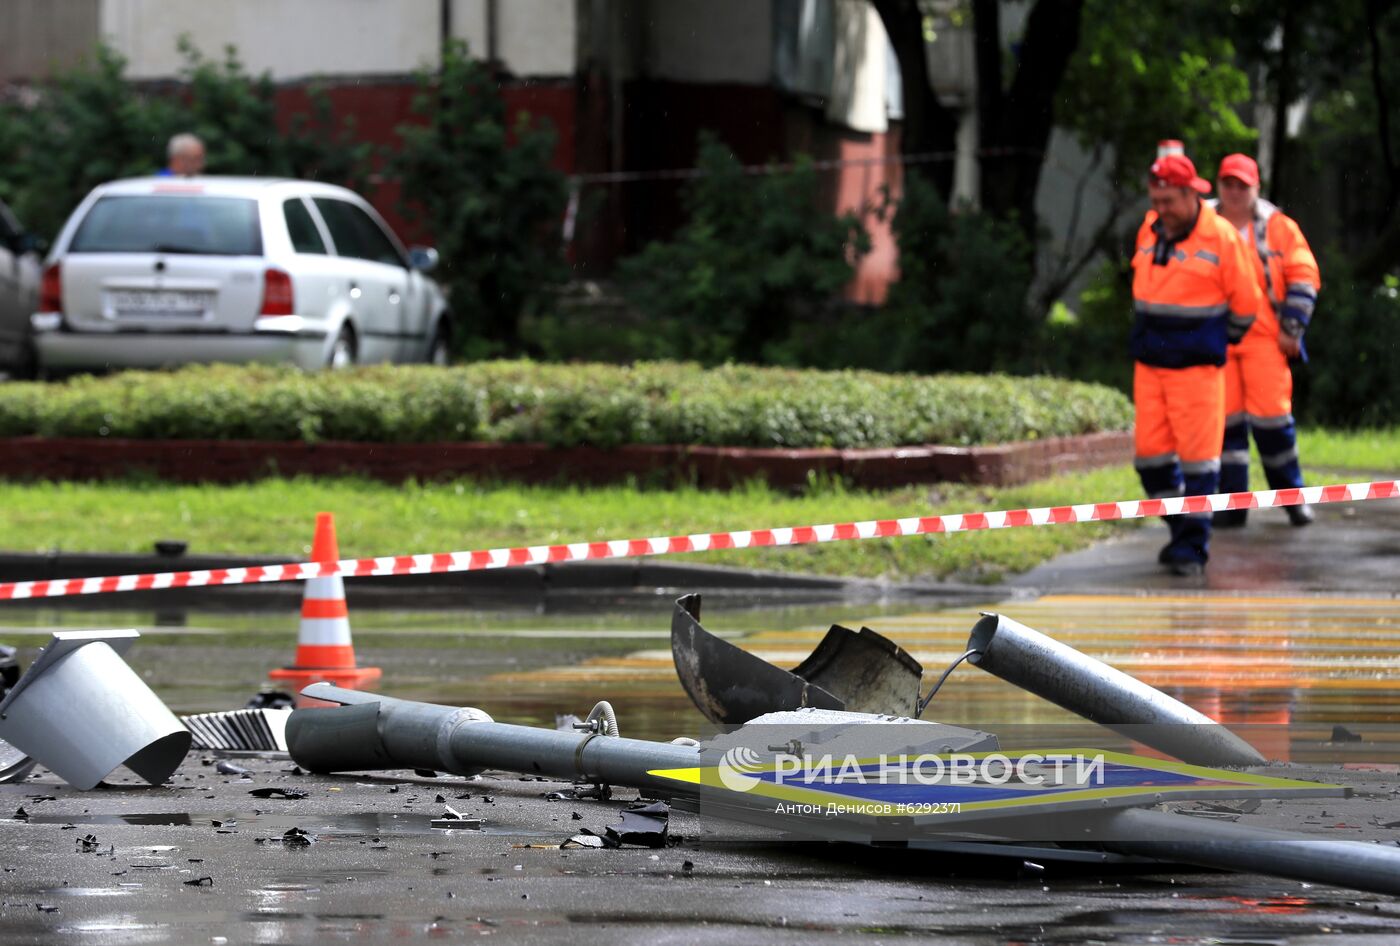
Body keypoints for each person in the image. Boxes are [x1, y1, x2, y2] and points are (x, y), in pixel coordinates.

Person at [1131, 145, 1261, 576]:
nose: (1161, 210)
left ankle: (1191, 550)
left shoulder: (1222, 237)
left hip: (1198, 371)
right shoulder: (1150, 230)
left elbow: (1247, 305)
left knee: (1200, 465)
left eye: (1168, 202)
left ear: (1192, 194)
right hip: (1150, 366)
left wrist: (1212, 343)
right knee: (1150, 460)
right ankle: (1183, 529)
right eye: (1155, 202)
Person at [1209, 153, 1321, 527]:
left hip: (1264, 338)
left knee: (1274, 420)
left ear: (1256, 187)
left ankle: (1292, 499)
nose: (1235, 191)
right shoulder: (1201, 222)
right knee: (1226, 426)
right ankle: (1231, 507)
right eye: (1229, 183)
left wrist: (1292, 328)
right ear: (1218, 185)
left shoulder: (1279, 227)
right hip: (1217, 337)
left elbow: (1304, 274)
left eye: (1243, 185)